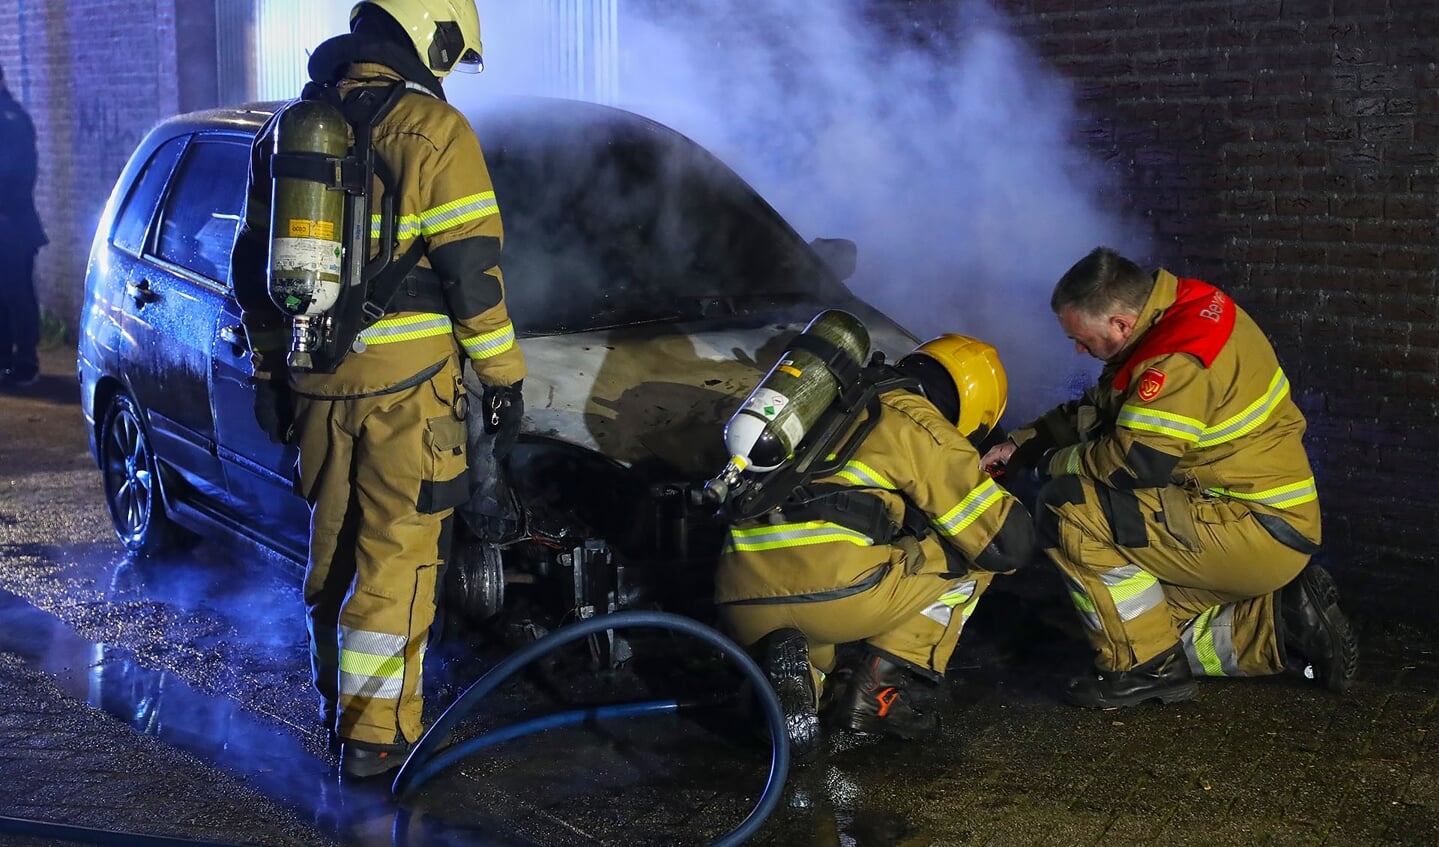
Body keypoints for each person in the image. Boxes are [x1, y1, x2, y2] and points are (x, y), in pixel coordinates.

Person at [230, 0, 526, 779]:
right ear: (430, 29)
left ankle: (339, 712)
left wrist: (269, 375)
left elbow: (251, 271)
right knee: (398, 561)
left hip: (317, 383)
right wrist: (502, 378)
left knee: (330, 556)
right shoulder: (437, 132)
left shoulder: (291, 128)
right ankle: (376, 739)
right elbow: (472, 276)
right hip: (411, 391)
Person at [980, 247, 1358, 709]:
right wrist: (1023, 444)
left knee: (1069, 509)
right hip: (1261, 520)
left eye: (1082, 338)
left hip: (1251, 527)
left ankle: (1145, 671)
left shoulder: (1175, 362)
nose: (1079, 349)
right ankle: (1284, 622)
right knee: (1133, 618)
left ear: (1120, 323)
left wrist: (1046, 465)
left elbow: (1131, 466)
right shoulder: (1181, 311)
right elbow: (1102, 410)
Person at [716, 335, 1035, 760]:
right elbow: (1005, 542)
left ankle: (794, 690)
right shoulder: (916, 418)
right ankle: (879, 695)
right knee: (976, 555)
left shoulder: (826, 402)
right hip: (834, 597)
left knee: (812, 647)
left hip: (737, 596)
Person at [0, 64, 48, 389]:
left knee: (17, 293)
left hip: (12, 224)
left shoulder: (11, 120)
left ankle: (26, 361)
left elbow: (19, 173)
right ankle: (6, 359)